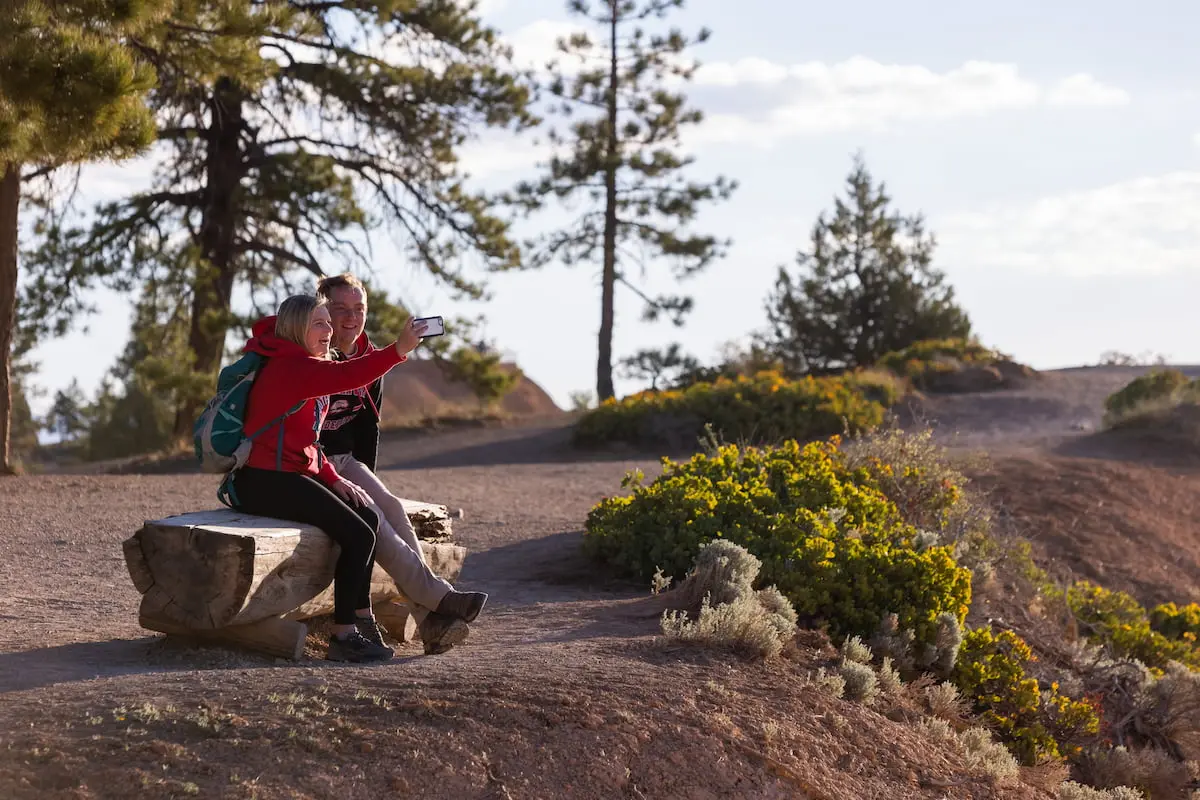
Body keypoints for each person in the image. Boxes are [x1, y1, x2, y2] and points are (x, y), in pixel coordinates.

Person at [229, 294, 472, 663]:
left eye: (328, 323)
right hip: (263, 481)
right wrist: (399, 350)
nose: (328, 331)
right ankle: (344, 635)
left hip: (288, 472)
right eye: (318, 323)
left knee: (369, 518)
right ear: (296, 328)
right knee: (358, 531)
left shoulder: (304, 363)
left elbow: (306, 441)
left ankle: (358, 620)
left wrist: (334, 478)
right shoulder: (290, 366)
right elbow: (347, 375)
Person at [315, 273, 488, 639]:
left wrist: (368, 482)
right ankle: (440, 599)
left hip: (345, 460)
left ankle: (429, 620)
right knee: (375, 520)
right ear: (322, 310)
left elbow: (367, 429)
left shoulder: (369, 357)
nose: (350, 317)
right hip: (312, 462)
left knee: (392, 509)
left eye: (358, 309)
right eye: (339, 308)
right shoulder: (314, 351)